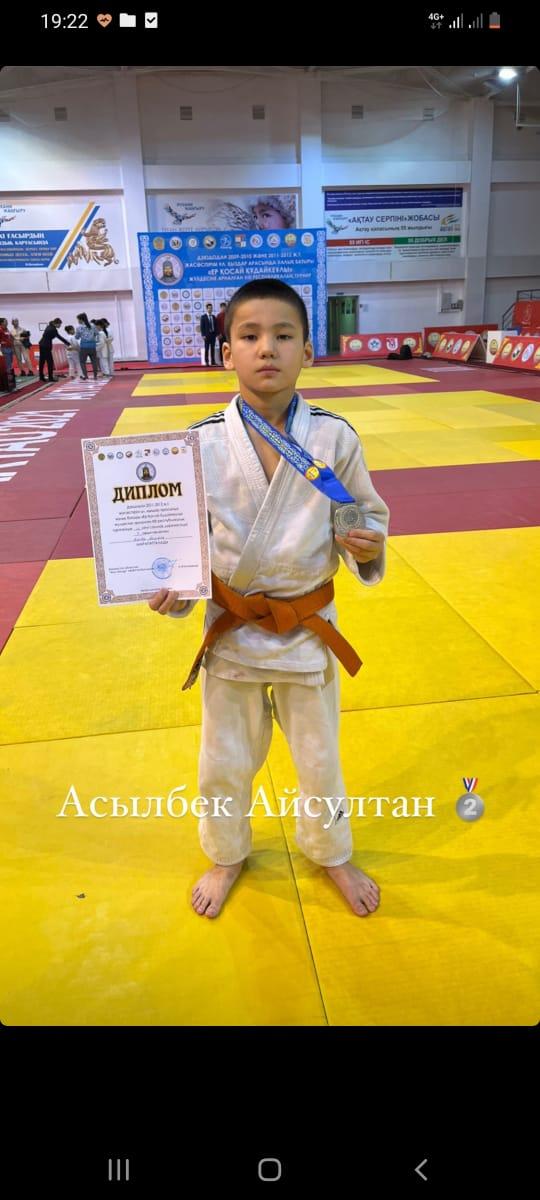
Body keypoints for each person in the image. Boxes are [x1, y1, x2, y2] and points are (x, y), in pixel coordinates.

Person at [148, 278, 389, 920]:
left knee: (319, 759)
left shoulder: (334, 438)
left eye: (283, 335)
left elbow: (365, 513)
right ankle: (226, 853)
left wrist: (368, 544)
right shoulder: (199, 442)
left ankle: (331, 852)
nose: (267, 349)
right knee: (223, 760)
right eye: (250, 335)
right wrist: (173, 590)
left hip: (307, 628)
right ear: (226, 351)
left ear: (307, 350)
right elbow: (183, 538)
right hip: (232, 626)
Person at [38, 318, 69, 382]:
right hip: (46, 346)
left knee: (42, 361)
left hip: (42, 344)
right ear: (56, 323)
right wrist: (68, 343)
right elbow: (59, 337)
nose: (60, 326)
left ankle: (41, 376)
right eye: (59, 324)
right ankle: (50, 377)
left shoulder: (49, 326)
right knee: (50, 362)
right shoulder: (53, 329)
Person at [75, 312, 99, 380]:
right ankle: (95, 376)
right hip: (92, 346)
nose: (78, 321)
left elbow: (77, 337)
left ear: (81, 319)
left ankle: (85, 376)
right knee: (94, 361)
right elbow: (97, 334)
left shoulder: (79, 327)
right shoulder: (93, 325)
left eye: (78, 319)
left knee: (82, 362)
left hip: (84, 346)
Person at [215, 302, 227, 366]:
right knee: (221, 348)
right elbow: (217, 326)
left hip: (227, 335)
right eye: (222, 307)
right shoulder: (218, 316)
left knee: (228, 348)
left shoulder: (228, 315)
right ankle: (222, 361)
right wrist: (218, 334)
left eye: (224, 307)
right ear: (220, 308)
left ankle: (229, 360)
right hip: (221, 335)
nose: (223, 308)